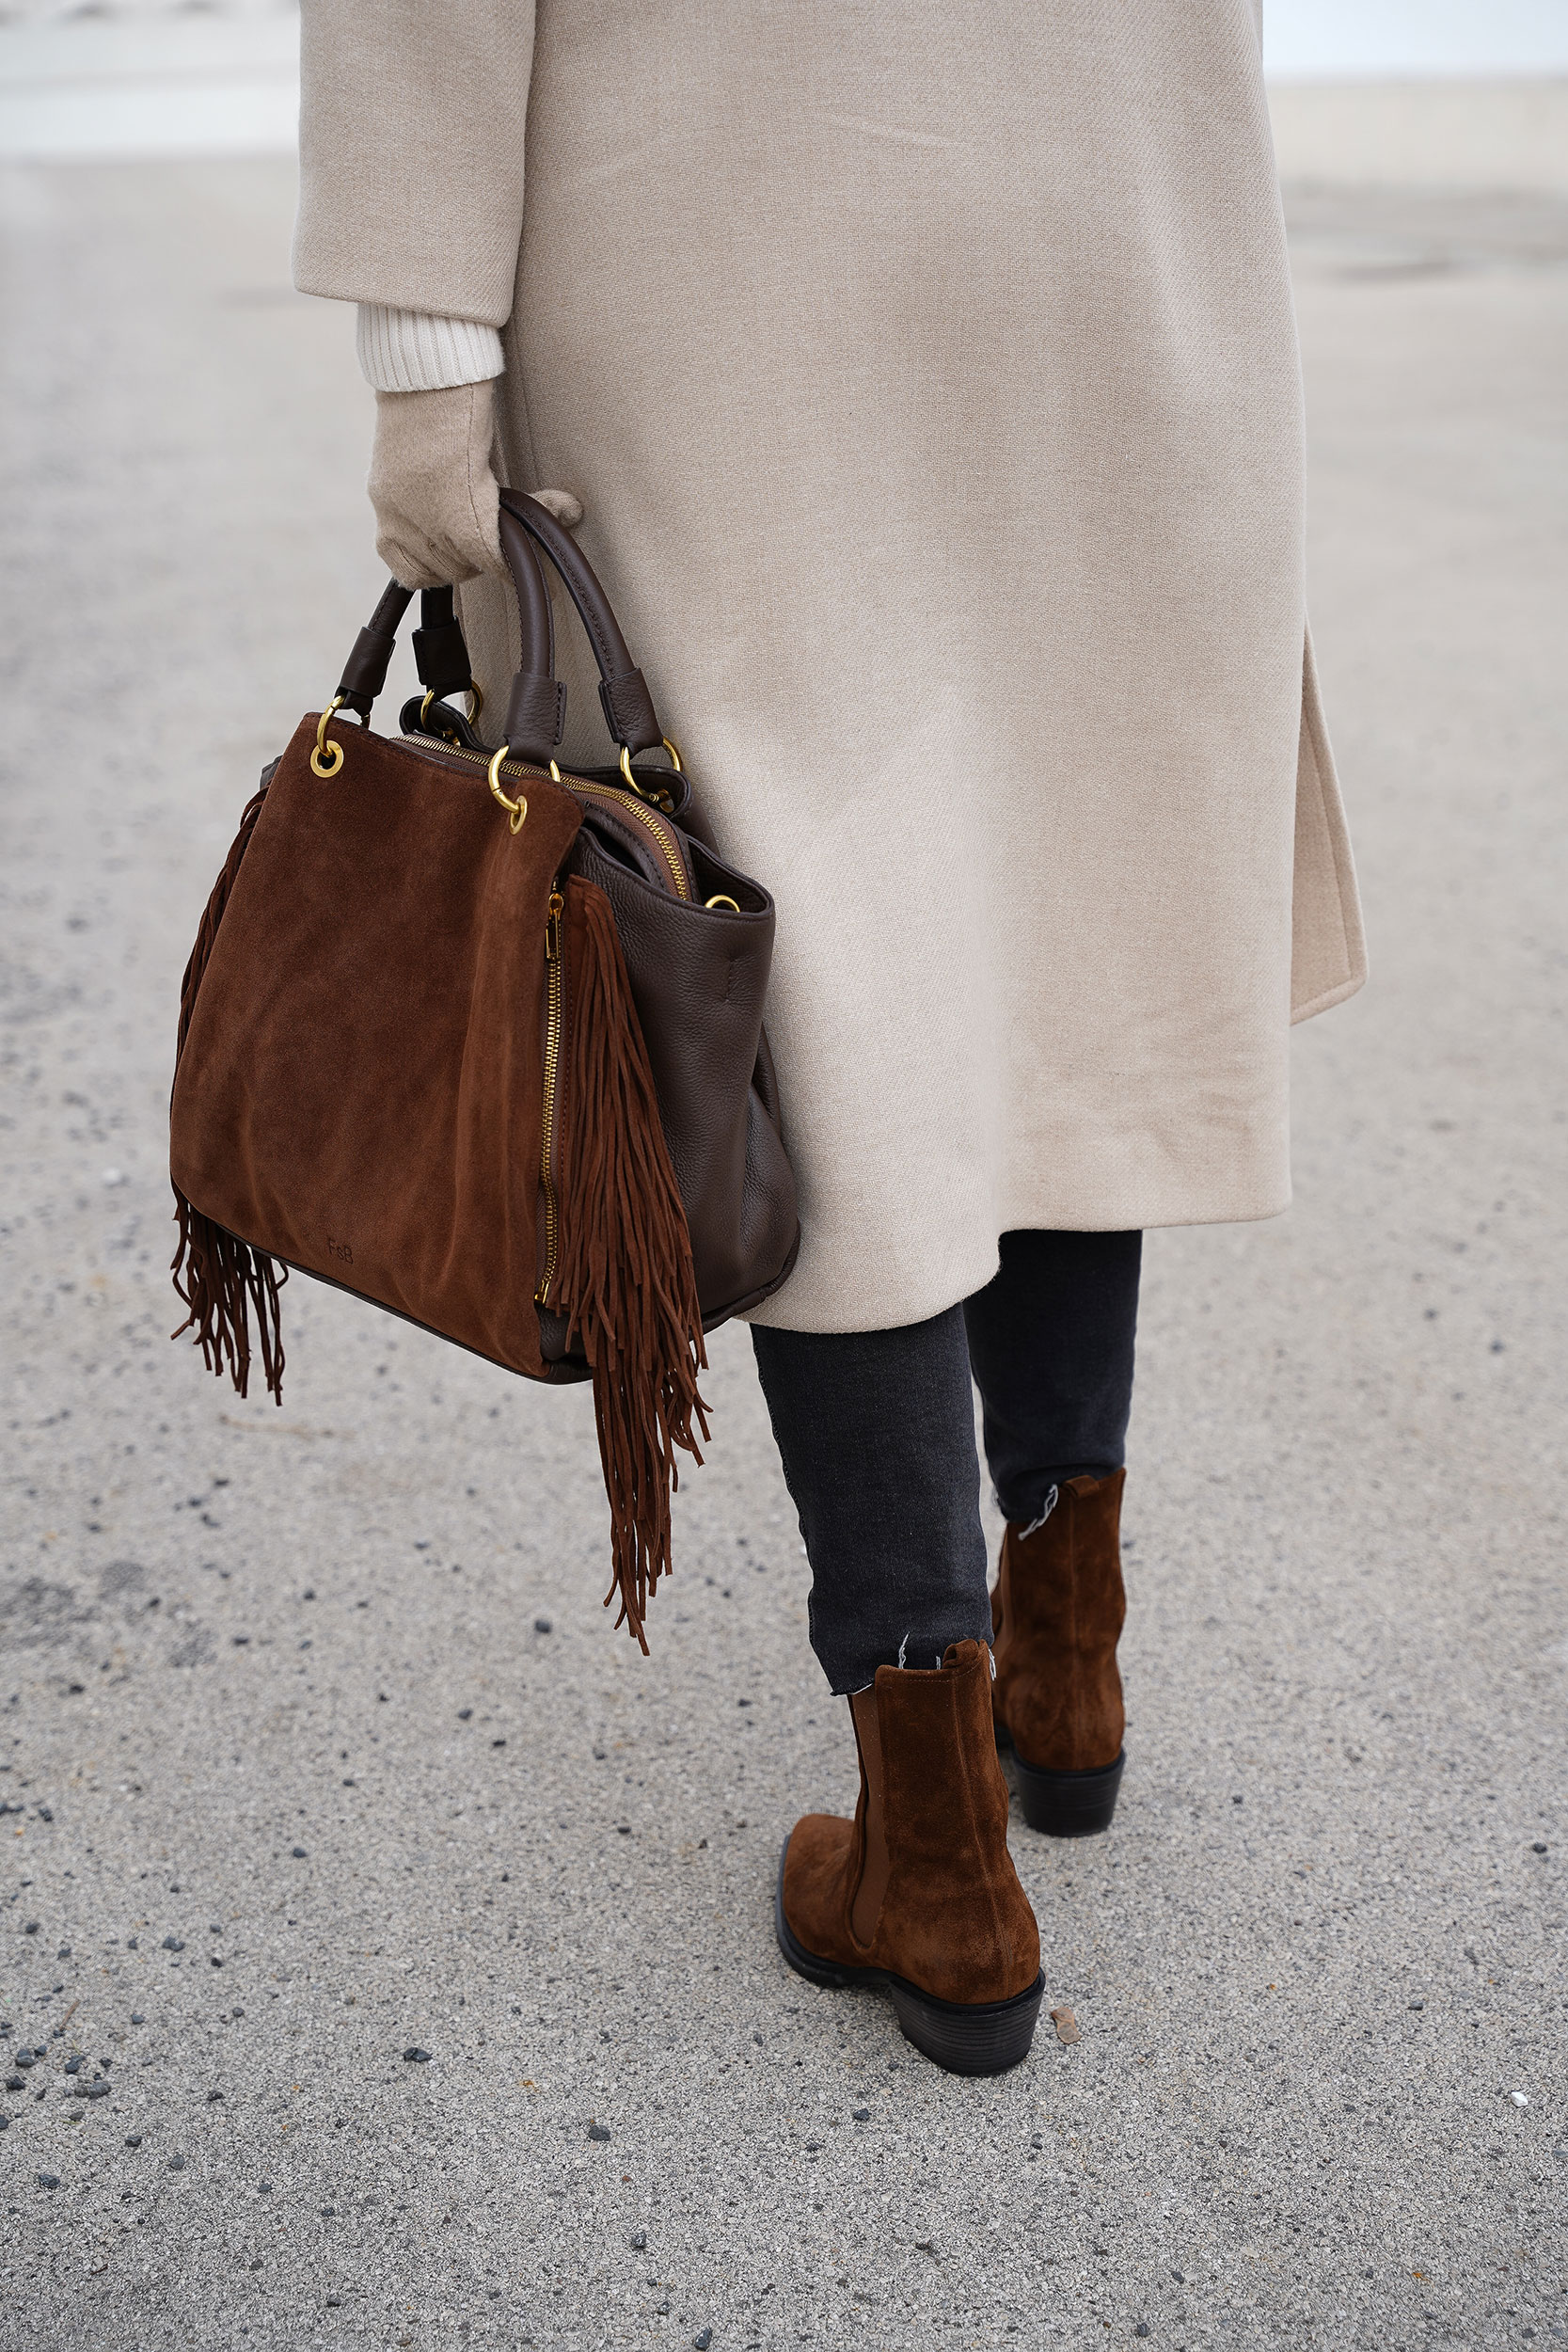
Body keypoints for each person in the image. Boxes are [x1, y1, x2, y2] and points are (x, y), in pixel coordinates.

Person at [293, 1, 1366, 2075]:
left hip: (723, 229)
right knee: (1038, 923)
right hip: (1123, 224)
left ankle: (941, 1842)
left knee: (834, 981)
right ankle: (1063, 1673)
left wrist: (425, 341)